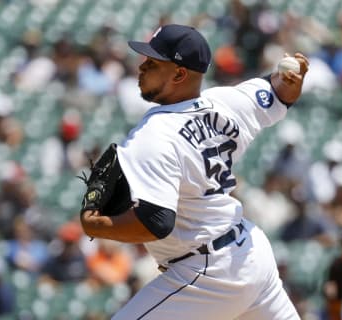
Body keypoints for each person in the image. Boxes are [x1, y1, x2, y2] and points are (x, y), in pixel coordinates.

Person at [80, 24, 308, 319]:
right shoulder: (226, 102)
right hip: (251, 254)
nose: (142, 66)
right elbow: (278, 93)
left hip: (209, 271)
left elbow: (156, 223)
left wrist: (93, 225)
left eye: (152, 62)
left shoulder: (154, 135)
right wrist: (291, 83)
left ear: (178, 74)